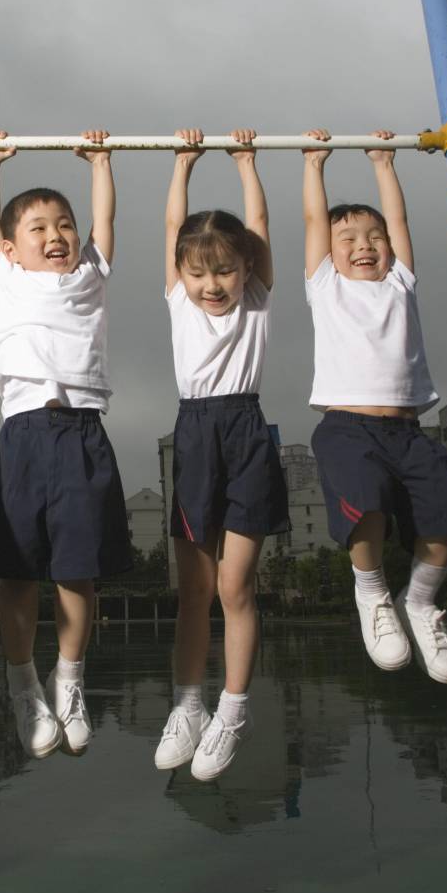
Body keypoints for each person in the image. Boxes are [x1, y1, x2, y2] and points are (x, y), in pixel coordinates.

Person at [0, 128, 131, 758]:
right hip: (22, 433)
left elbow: (107, 217)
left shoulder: (91, 275)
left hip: (82, 430)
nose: (56, 235)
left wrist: (100, 164)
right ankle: (23, 687)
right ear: (13, 249)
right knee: (17, 575)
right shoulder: (7, 277)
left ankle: (69, 681)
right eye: (39, 228)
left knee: (77, 570)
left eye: (63, 224)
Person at [301, 128, 447, 683]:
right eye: (348, 238)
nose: (365, 245)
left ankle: (419, 604)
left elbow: (400, 223)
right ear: (330, 251)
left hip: (409, 432)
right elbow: (312, 223)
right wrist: (314, 164)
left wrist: (382, 163)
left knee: (445, 521)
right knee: (365, 503)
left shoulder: (400, 283)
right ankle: (371, 595)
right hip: (347, 428)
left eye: (373, 237)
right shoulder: (326, 285)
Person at [156, 128, 289, 780]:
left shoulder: (257, 297)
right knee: (195, 589)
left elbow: (257, 222)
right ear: (182, 273)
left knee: (235, 585)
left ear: (247, 269)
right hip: (195, 432)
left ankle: (233, 710)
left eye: (226, 270)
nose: (213, 284)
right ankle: (187, 706)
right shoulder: (180, 299)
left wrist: (245, 163)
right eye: (200, 271)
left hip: (244, 427)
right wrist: (183, 165)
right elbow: (173, 225)